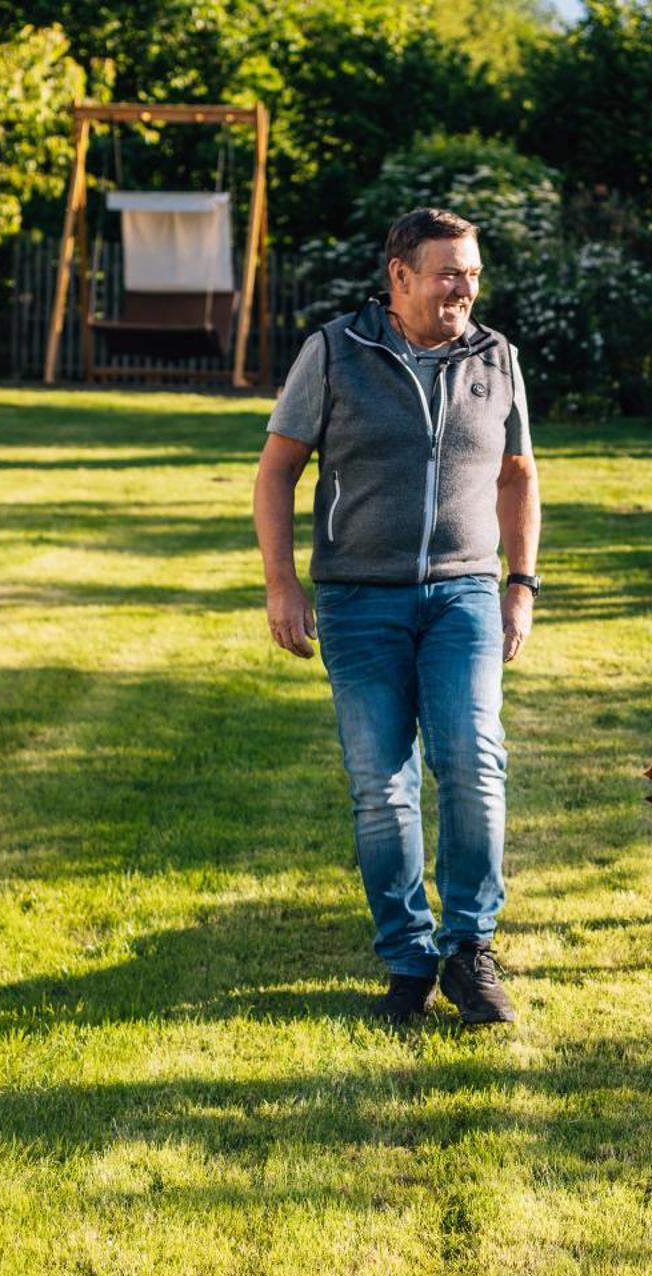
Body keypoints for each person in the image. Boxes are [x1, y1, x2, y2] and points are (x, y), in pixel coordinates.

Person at [253, 207, 541, 1026]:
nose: (465, 287)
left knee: (475, 764)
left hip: (464, 595)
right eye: (449, 271)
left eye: (473, 272)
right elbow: (276, 473)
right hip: (358, 599)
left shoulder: (497, 357)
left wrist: (521, 581)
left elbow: (518, 476)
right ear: (400, 276)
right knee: (381, 787)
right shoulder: (337, 352)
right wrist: (282, 585)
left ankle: (469, 947)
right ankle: (408, 957)